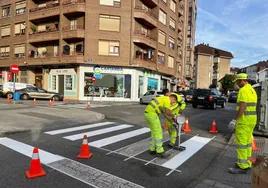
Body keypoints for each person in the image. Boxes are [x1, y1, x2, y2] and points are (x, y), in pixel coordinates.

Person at [228, 73, 257, 174]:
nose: (236, 84)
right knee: (248, 143)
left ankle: (242, 166)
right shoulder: (252, 90)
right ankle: (247, 162)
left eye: (237, 82)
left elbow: (243, 106)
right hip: (252, 120)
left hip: (244, 121)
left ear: (241, 81)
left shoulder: (243, 90)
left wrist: (235, 120)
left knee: (241, 144)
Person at [144, 94, 178, 158]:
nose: (172, 103)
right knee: (158, 132)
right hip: (152, 114)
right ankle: (160, 151)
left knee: (154, 132)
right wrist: (175, 116)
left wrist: (173, 122)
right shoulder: (167, 99)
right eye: (173, 102)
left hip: (147, 114)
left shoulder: (163, 99)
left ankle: (153, 149)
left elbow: (165, 114)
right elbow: (168, 112)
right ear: (172, 98)